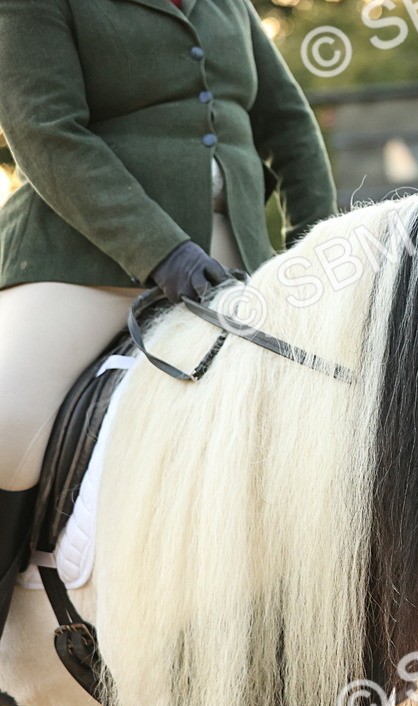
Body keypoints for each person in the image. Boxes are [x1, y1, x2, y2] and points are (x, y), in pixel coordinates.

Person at [0, 0, 338, 637]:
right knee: (6, 429)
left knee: (333, 402)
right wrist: (160, 250)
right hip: (83, 255)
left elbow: (289, 123)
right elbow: (44, 130)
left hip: (235, 261)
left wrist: (316, 253)